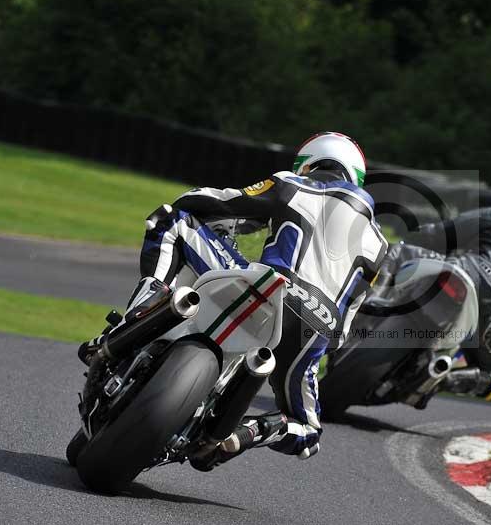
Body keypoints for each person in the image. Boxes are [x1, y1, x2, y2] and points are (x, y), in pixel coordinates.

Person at [79, 131, 387, 464]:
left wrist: (205, 211)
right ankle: (239, 436)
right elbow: (343, 331)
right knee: (308, 431)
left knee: (171, 220)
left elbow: (216, 202)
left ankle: (124, 330)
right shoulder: (380, 245)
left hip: (267, 287)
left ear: (307, 165)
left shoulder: (292, 184)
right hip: (314, 331)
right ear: (357, 179)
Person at [372, 181, 491, 405]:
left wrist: (413, 240)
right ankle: (437, 378)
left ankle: (374, 300)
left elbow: (437, 234)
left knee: (400, 250)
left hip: (463, 272)